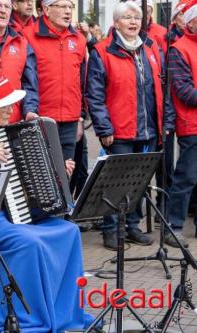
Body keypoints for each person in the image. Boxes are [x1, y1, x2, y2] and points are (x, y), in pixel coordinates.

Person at [0, 63, 92, 333]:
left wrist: (58, 176)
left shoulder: (12, 132)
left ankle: (64, 311)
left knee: (69, 231)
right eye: (5, 105)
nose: (12, 110)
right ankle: (30, 317)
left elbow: (28, 181)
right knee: (30, 243)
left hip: (16, 212)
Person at [86, 1, 174, 250]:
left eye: (136, 17)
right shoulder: (102, 52)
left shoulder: (152, 48)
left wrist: (164, 122)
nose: (133, 22)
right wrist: (104, 129)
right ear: (116, 23)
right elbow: (94, 94)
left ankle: (132, 226)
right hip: (120, 131)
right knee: (115, 182)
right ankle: (111, 230)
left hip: (148, 130)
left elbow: (162, 88)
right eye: (127, 17)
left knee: (139, 181)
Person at [22, 0, 87, 161]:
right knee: (43, 177)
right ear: (46, 9)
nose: (68, 11)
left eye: (70, 7)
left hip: (71, 120)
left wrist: (80, 117)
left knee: (66, 176)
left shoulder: (79, 39)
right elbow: (24, 79)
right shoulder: (27, 35)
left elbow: (83, 82)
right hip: (40, 118)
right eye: (62, 6)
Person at [165, 0, 197, 246]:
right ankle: (172, 228)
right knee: (186, 178)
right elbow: (184, 91)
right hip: (191, 125)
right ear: (191, 22)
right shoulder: (178, 49)